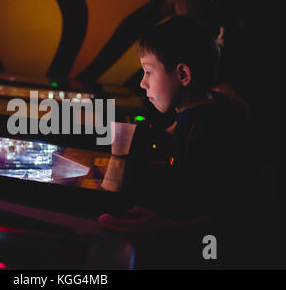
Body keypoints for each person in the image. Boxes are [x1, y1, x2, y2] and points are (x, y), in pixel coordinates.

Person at [98, 16, 268, 269]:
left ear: (183, 74)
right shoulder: (200, 116)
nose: (142, 83)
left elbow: (227, 219)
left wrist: (162, 228)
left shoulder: (207, 132)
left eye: (148, 71)